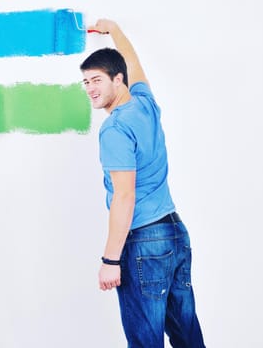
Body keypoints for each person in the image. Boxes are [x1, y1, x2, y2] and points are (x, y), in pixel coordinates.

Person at [80, 20, 206, 347]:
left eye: (96, 80)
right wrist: (114, 31)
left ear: (117, 80)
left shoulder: (114, 130)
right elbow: (133, 63)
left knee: (145, 342)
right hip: (175, 233)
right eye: (85, 82)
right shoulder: (145, 103)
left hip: (144, 242)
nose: (90, 88)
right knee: (187, 336)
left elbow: (124, 196)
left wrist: (110, 261)